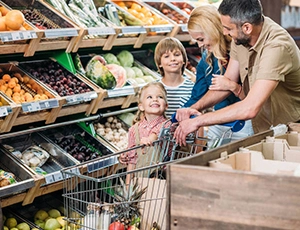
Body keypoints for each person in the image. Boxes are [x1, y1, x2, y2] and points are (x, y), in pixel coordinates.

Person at [174, 0, 300, 146]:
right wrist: (193, 108)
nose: (224, 33)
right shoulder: (241, 38)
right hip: (266, 126)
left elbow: (250, 107)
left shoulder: (277, 47)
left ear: (247, 27)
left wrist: (198, 121)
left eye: (228, 28)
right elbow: (227, 80)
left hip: (292, 128)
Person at [183, 4, 253, 145]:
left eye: (201, 39)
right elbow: (197, 95)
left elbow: (254, 97)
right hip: (218, 121)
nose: (199, 45)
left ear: (213, 30)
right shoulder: (206, 60)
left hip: (244, 122)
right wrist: (182, 113)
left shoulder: (240, 49)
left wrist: (233, 86)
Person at [119, 82, 168, 184]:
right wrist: (128, 185)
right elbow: (132, 161)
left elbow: (159, 131)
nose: (155, 99)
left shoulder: (168, 124)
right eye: (149, 97)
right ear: (141, 106)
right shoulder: (134, 130)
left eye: (160, 97)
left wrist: (150, 139)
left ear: (166, 106)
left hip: (160, 180)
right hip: (139, 180)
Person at [154, 37, 194, 118]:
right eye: (166, 56)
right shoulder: (154, 88)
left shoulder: (192, 88)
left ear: (184, 60)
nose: (172, 59)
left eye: (177, 55)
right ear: (159, 63)